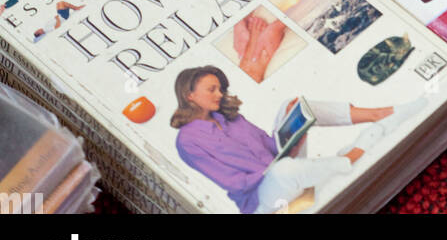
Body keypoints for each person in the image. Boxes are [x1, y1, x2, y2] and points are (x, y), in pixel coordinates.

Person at [171, 65, 424, 213]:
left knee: (292, 106)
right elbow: (232, 182)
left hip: (283, 166)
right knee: (283, 170)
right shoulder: (188, 141)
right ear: (189, 95)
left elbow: (269, 145)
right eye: (212, 89)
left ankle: (378, 114)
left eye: (220, 88)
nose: (220, 94)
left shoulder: (231, 117)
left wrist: (294, 140)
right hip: (261, 197)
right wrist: (273, 168)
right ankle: (347, 159)